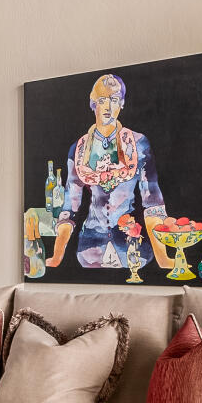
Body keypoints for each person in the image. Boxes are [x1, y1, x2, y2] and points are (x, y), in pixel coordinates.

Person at [45, 73, 172, 278]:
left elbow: (153, 204)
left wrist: (163, 259)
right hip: (90, 250)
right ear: (92, 103)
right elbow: (71, 206)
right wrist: (57, 256)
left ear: (121, 103)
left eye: (113, 100)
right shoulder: (78, 149)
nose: (108, 106)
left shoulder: (138, 143)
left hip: (134, 249)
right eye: (102, 100)